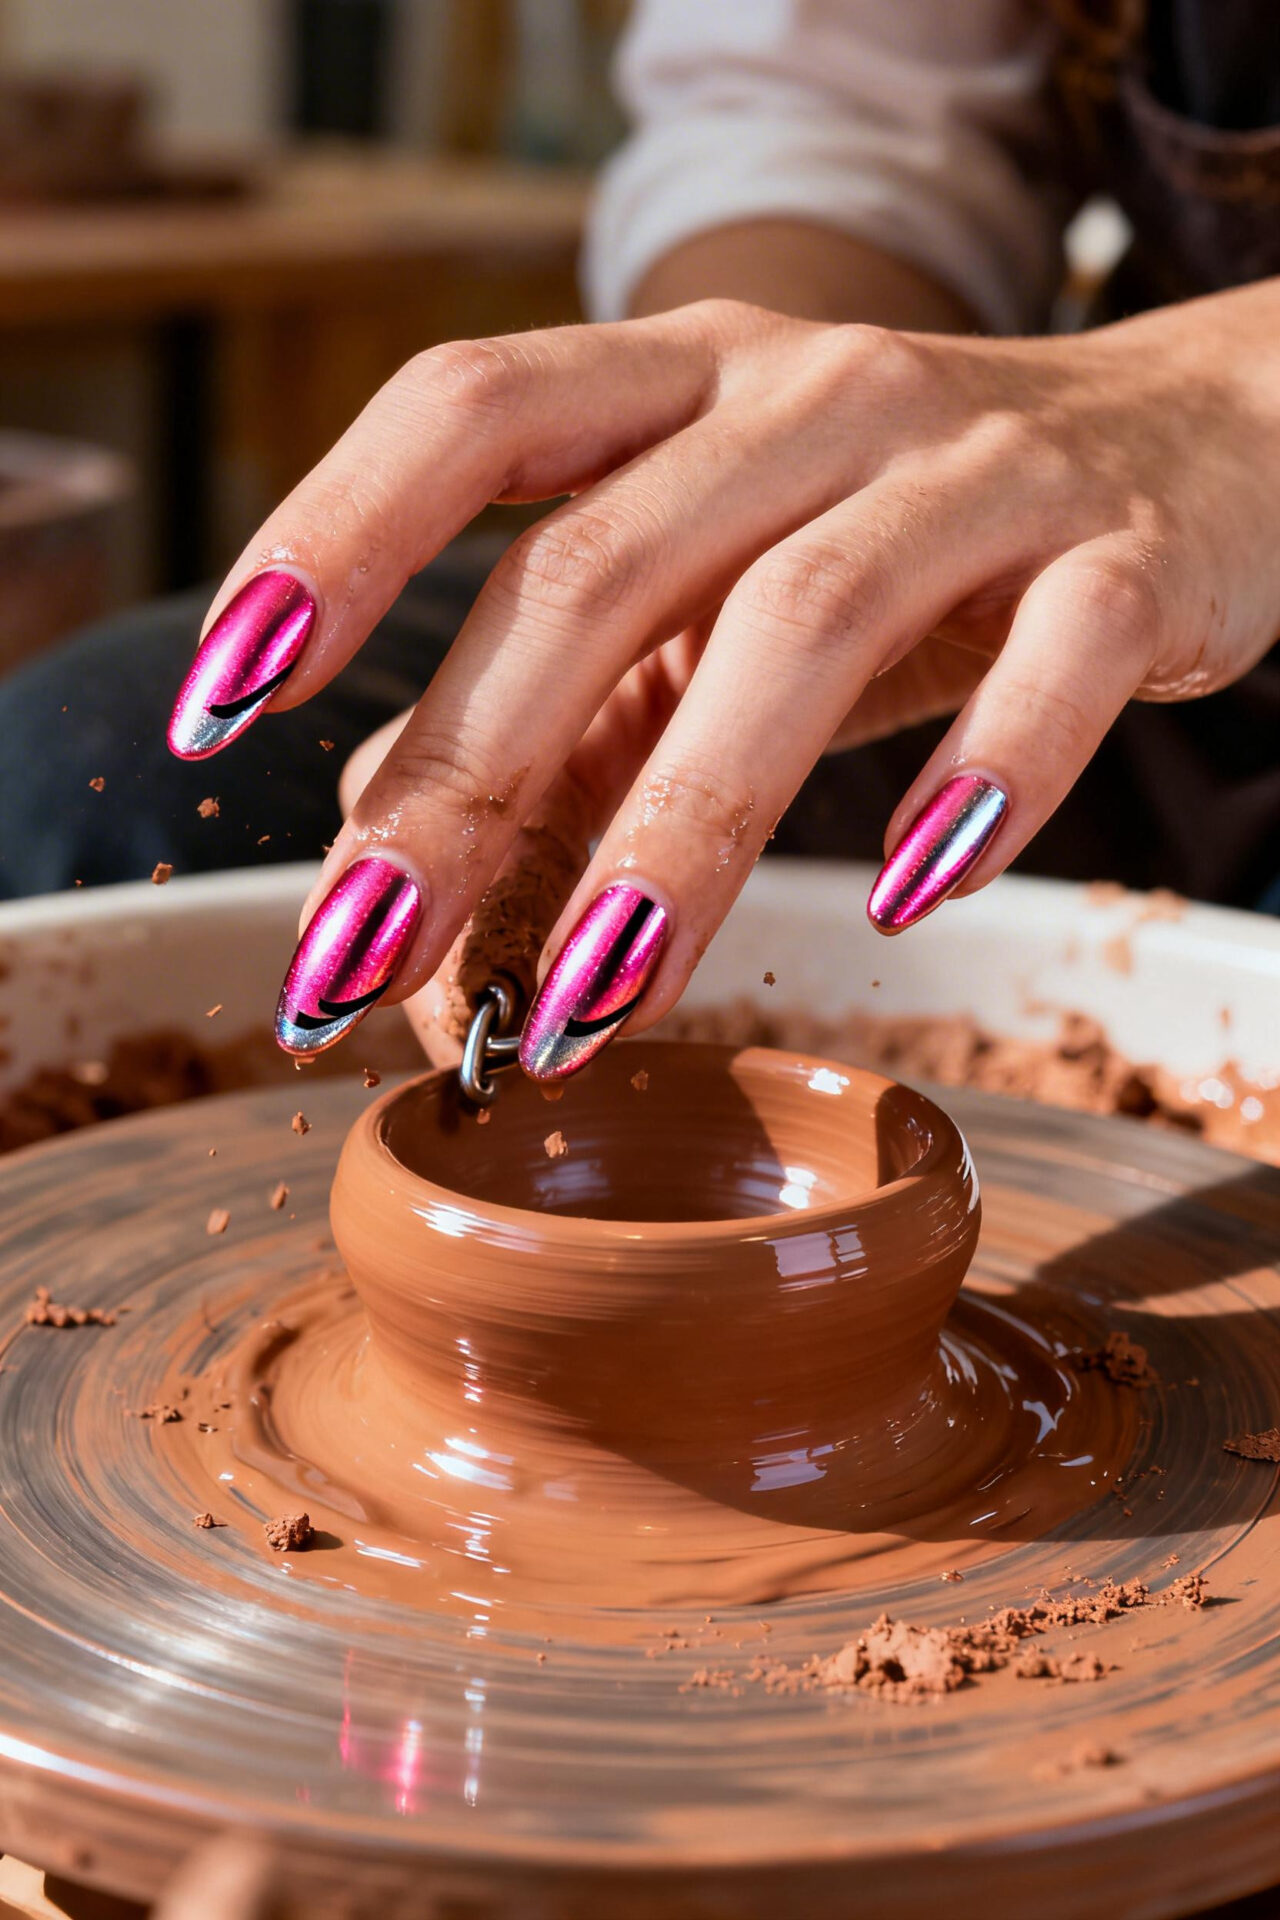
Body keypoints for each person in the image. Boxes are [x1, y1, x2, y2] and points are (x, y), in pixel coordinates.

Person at [1, 0, 1277, 1080]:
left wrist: (1227, 391)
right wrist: (780, 491)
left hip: (1192, 466)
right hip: (1093, 576)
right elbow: (829, 117)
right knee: (88, 784)